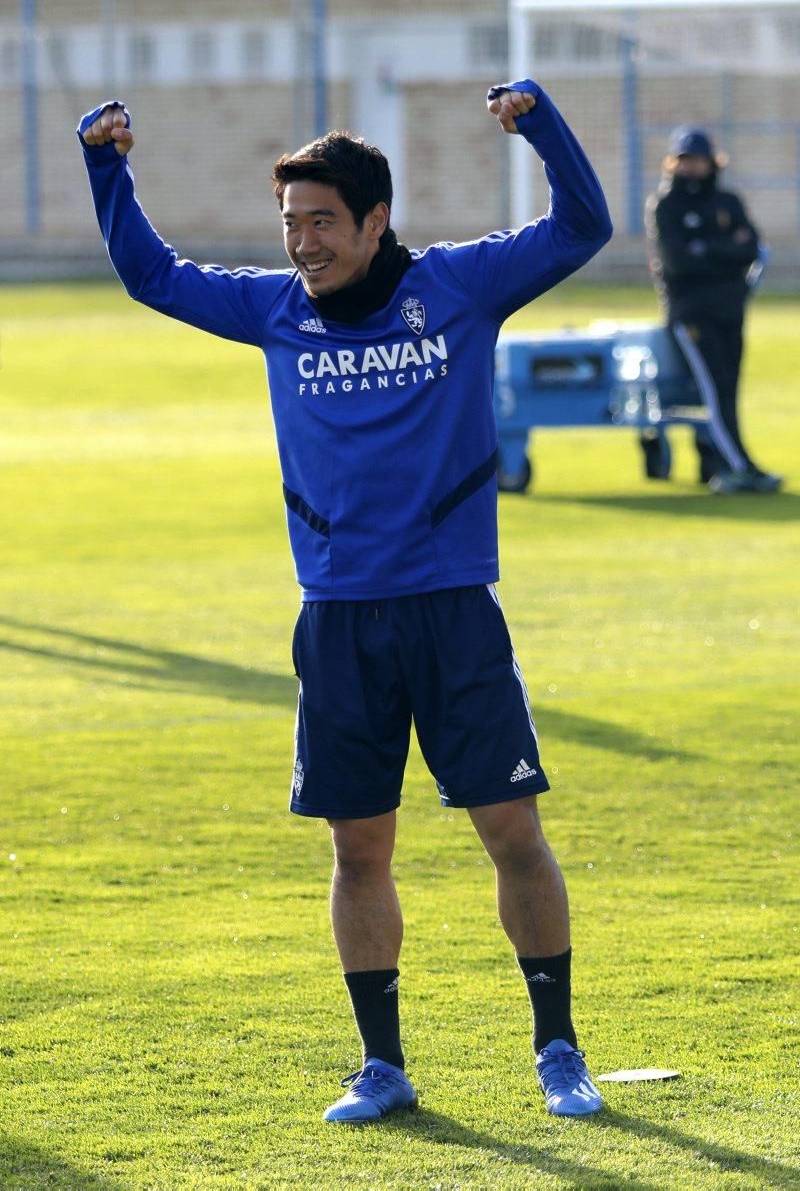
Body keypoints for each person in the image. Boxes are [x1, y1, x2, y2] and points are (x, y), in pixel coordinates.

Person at [78, 79, 612, 1123]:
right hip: (336, 618)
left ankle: (557, 1047)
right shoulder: (275, 310)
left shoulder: (460, 287)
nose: (303, 244)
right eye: (290, 225)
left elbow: (581, 225)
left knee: (510, 828)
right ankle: (382, 1065)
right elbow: (150, 275)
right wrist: (107, 164)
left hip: (451, 609)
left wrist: (540, 127)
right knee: (356, 847)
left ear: (375, 219)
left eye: (322, 221)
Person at [642, 125, 782, 494]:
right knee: (714, 389)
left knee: (728, 388)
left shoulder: (727, 202)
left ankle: (727, 462)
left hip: (729, 311)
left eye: (698, 159)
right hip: (691, 315)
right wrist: (722, 252)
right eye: (684, 160)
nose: (691, 168)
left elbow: (750, 249)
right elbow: (677, 263)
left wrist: (705, 248)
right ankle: (741, 466)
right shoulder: (665, 205)